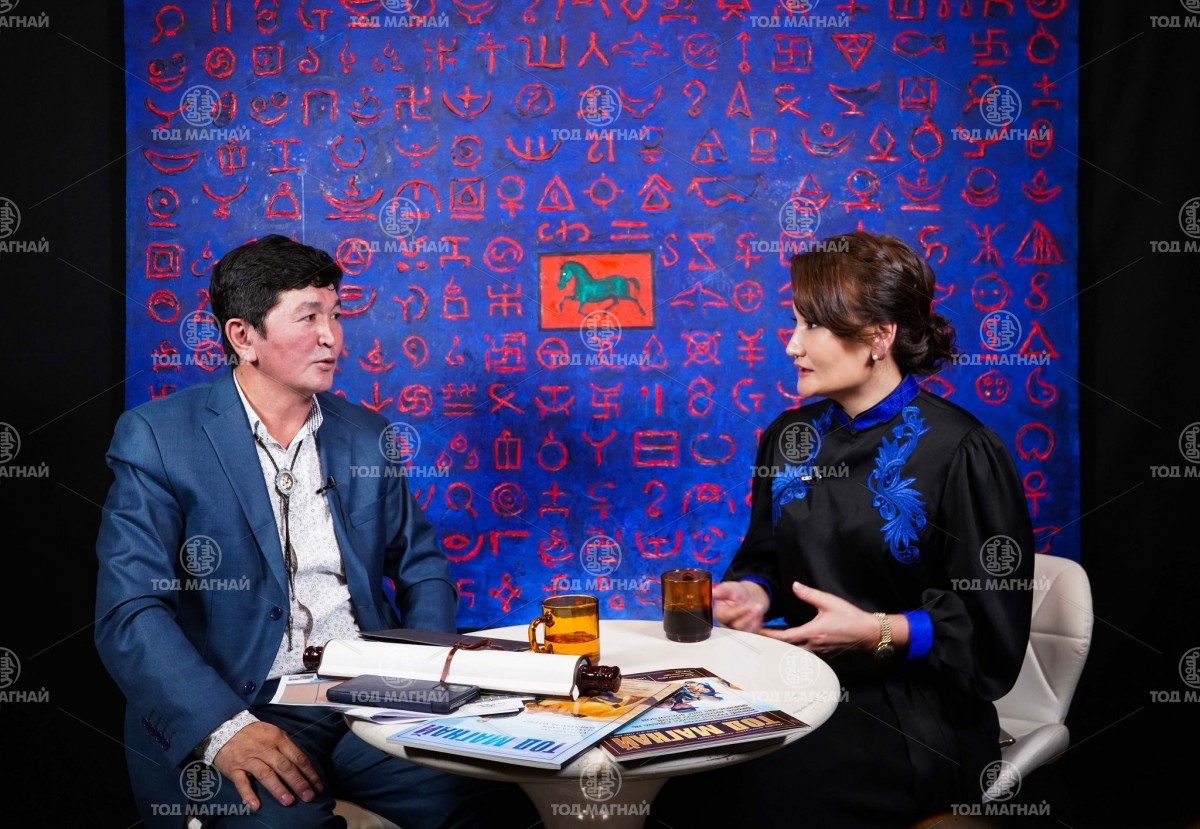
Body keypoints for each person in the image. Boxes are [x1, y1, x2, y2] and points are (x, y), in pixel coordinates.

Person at [95, 235, 538, 828]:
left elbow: (423, 565)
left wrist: (422, 679)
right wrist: (224, 729)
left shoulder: (367, 435)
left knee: (502, 800)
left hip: (368, 697)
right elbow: (130, 612)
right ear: (243, 337)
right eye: (309, 317)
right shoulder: (157, 436)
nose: (333, 337)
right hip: (239, 702)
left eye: (336, 314)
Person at [650, 231, 1034, 828]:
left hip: (913, 712)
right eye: (795, 322)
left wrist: (876, 631)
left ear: (879, 337)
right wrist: (752, 593)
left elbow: (993, 636)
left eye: (813, 326)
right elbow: (765, 558)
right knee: (675, 779)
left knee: (753, 797)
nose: (792, 344)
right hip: (798, 681)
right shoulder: (789, 438)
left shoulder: (963, 450)